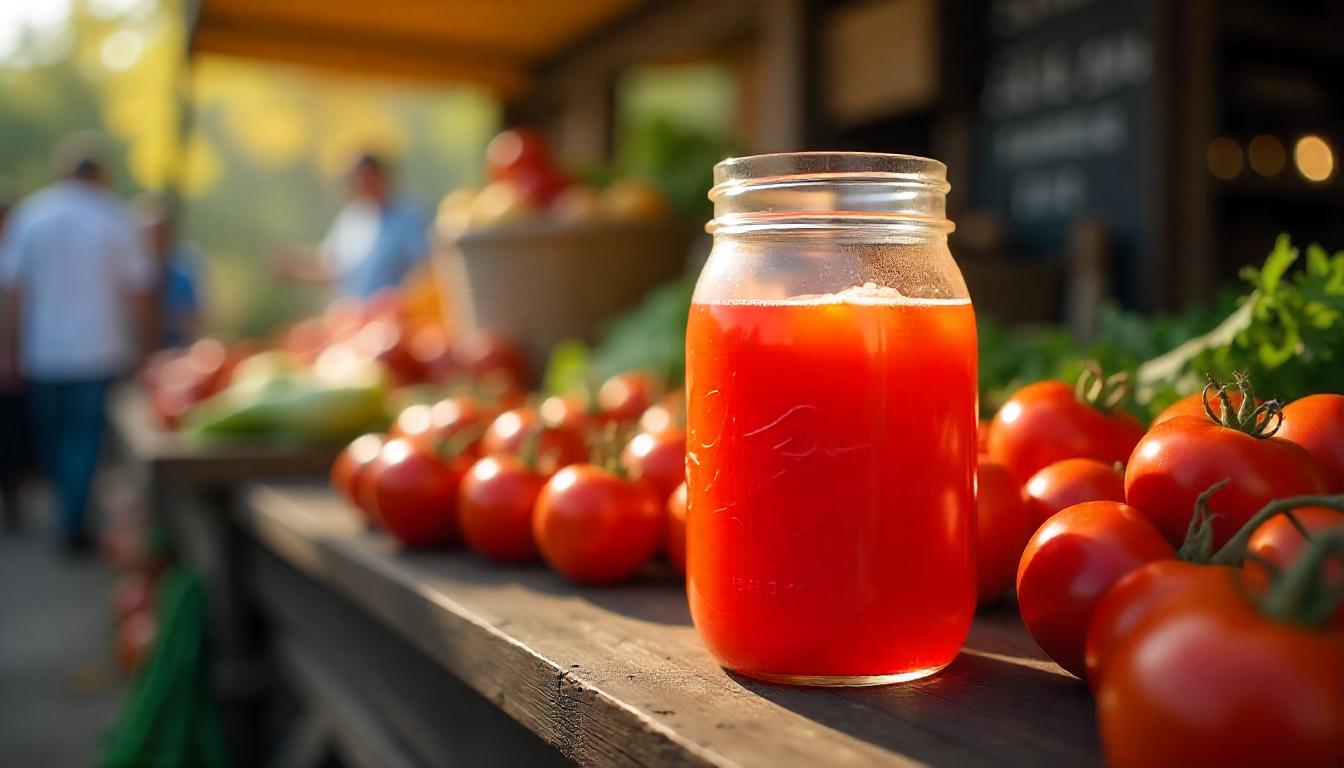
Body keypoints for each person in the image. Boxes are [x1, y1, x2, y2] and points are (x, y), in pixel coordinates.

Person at [0, 134, 156, 552]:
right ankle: (73, 513)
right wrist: (145, 346)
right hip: (98, 349)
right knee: (82, 438)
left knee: (53, 437)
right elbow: (138, 292)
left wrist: (8, 348)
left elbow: (13, 292)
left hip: (44, 351)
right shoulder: (115, 218)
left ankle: (68, 512)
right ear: (100, 175)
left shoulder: (31, 217)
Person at [285, 152, 430, 299]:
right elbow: (332, 265)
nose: (358, 184)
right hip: (352, 313)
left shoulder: (408, 219)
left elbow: (425, 269)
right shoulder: (352, 217)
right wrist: (295, 266)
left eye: (364, 178)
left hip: (393, 312)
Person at [136, 192, 202, 348]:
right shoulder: (134, 272)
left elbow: (193, 317)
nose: (157, 239)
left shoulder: (183, 271)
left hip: (174, 350)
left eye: (163, 233)